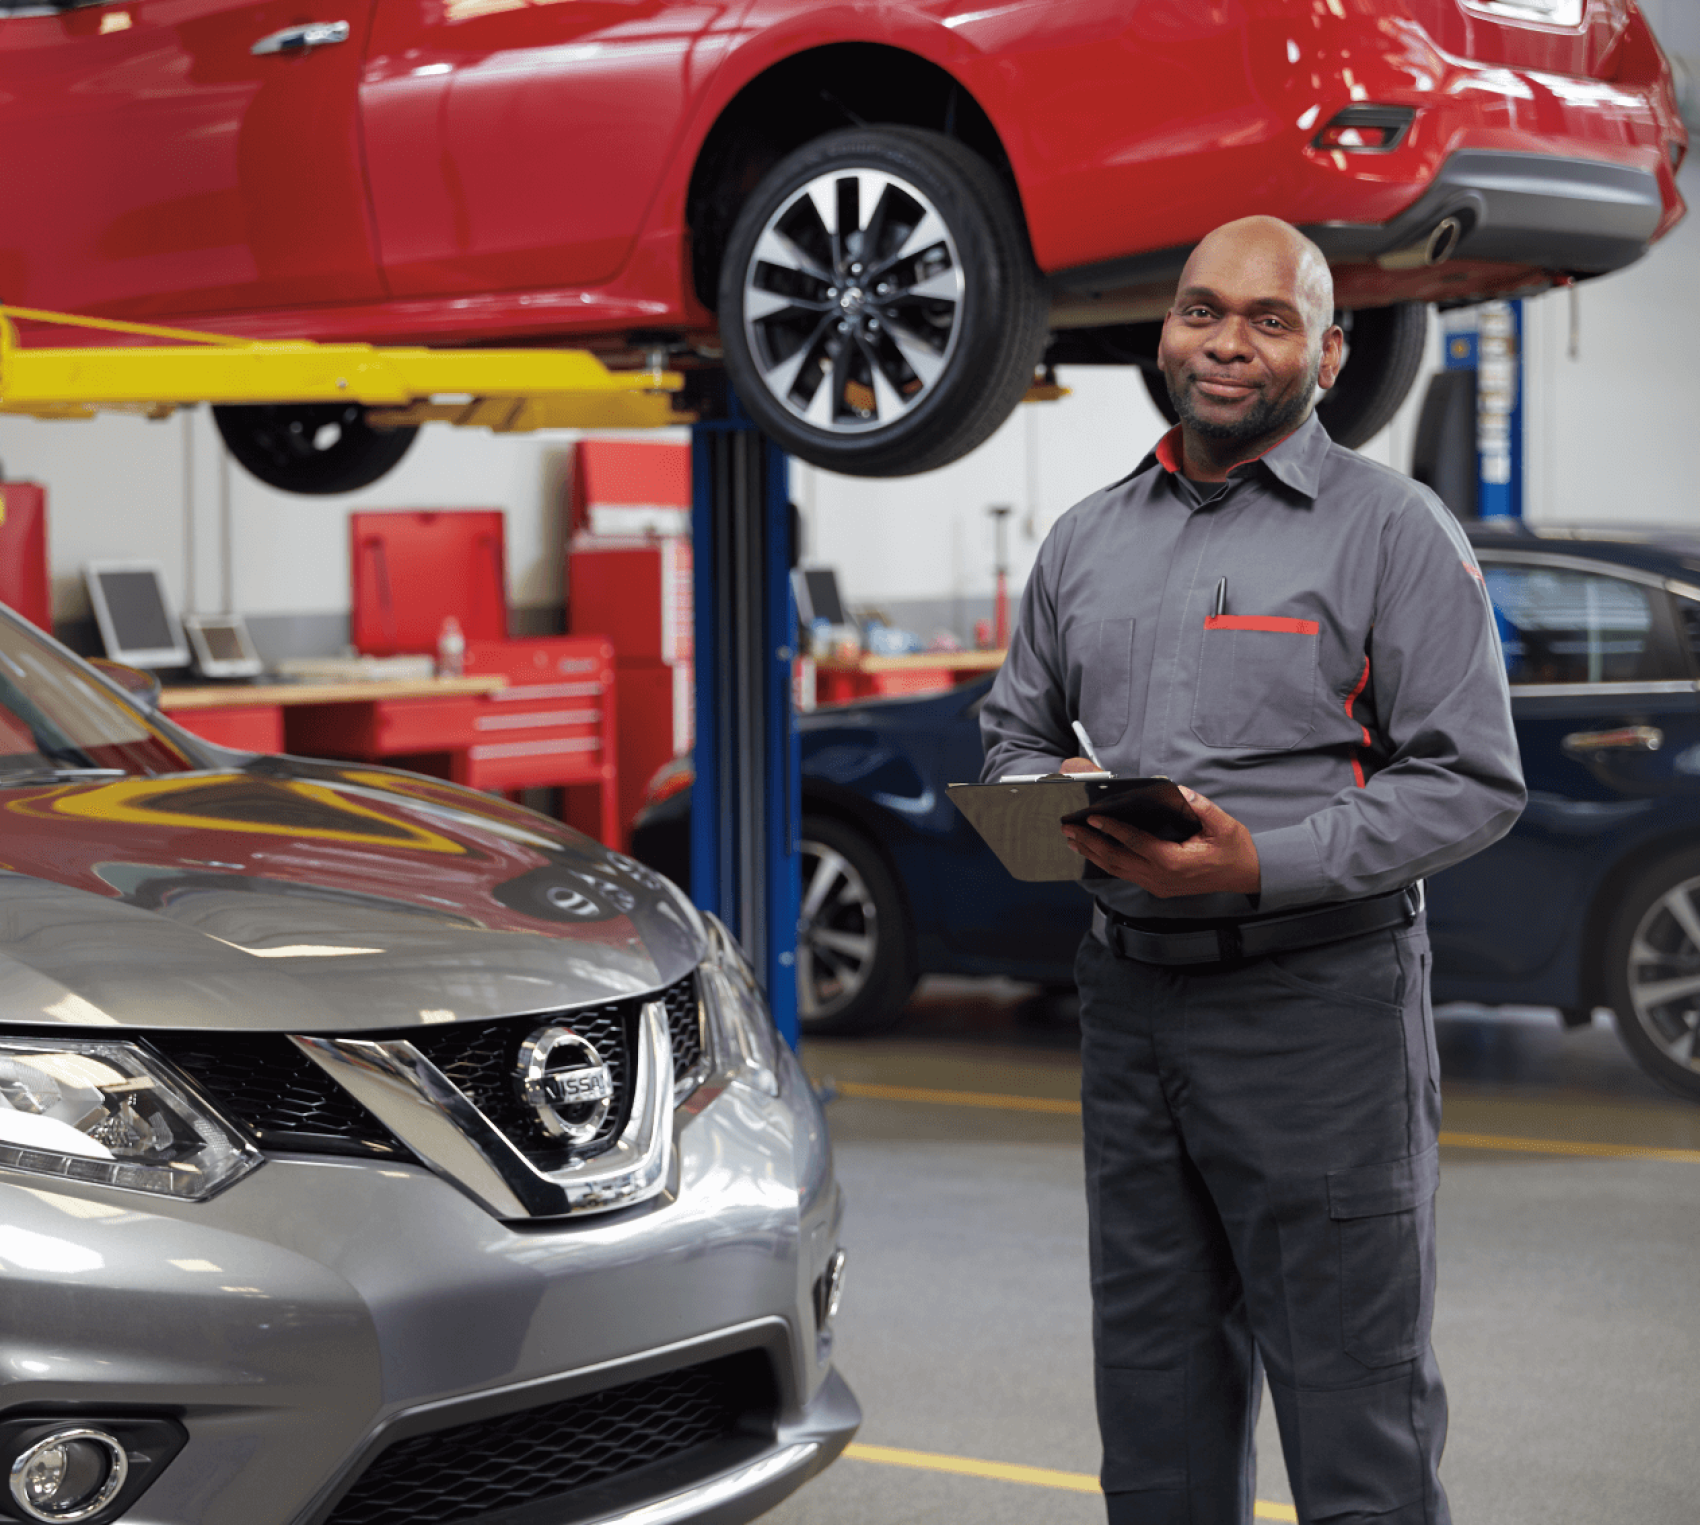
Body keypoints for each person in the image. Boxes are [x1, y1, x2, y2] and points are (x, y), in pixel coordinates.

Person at [980, 216, 1525, 1525]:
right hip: (1127, 1006)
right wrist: (1034, 807)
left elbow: (1472, 779)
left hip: (1317, 1010)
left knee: (1356, 1418)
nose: (1227, 343)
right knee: (1155, 1409)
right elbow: (1013, 730)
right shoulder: (1085, 541)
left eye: (1269, 319)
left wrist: (1259, 864)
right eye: (1201, 310)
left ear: (1329, 352)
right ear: (1165, 332)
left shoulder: (1394, 531)